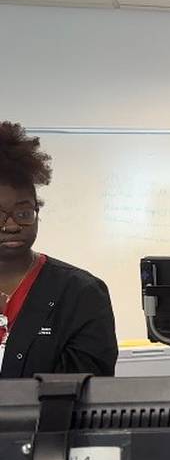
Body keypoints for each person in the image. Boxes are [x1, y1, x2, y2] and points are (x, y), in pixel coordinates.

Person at [0, 122, 117, 378]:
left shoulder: (81, 292)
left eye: (23, 212)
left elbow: (88, 393)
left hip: (49, 420)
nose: (11, 225)